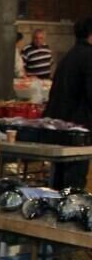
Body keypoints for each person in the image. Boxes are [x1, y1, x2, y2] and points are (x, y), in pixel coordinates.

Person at [43, 18, 92, 189]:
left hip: (61, 126)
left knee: (59, 178)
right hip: (79, 129)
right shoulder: (88, 56)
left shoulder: (69, 56)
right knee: (74, 182)